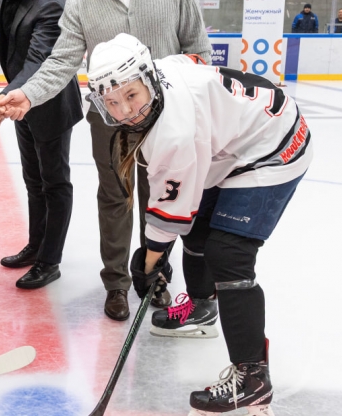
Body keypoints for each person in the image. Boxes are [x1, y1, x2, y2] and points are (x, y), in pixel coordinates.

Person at [85, 33, 311, 416]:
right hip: (237, 142)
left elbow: (168, 215)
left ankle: (252, 378)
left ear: (148, 80)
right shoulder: (164, 70)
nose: (126, 112)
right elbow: (193, 62)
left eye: (132, 95)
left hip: (274, 146)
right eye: (112, 102)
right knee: (199, 224)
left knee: (229, 254)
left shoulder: (172, 133)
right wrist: (154, 257)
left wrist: (149, 264)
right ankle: (201, 307)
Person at [0, 0, 211, 321]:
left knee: (158, 200)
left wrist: (195, 108)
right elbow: (61, 62)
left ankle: (153, 275)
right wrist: (27, 95)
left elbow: (198, 49)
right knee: (114, 199)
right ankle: (116, 284)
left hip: (167, 118)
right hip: (110, 119)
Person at [0, 0, 83, 290]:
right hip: (23, 106)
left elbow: (37, 62)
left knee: (55, 183)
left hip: (50, 105)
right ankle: (36, 245)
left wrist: (2, 98)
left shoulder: (50, 3)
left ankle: (50, 261)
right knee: (34, 180)